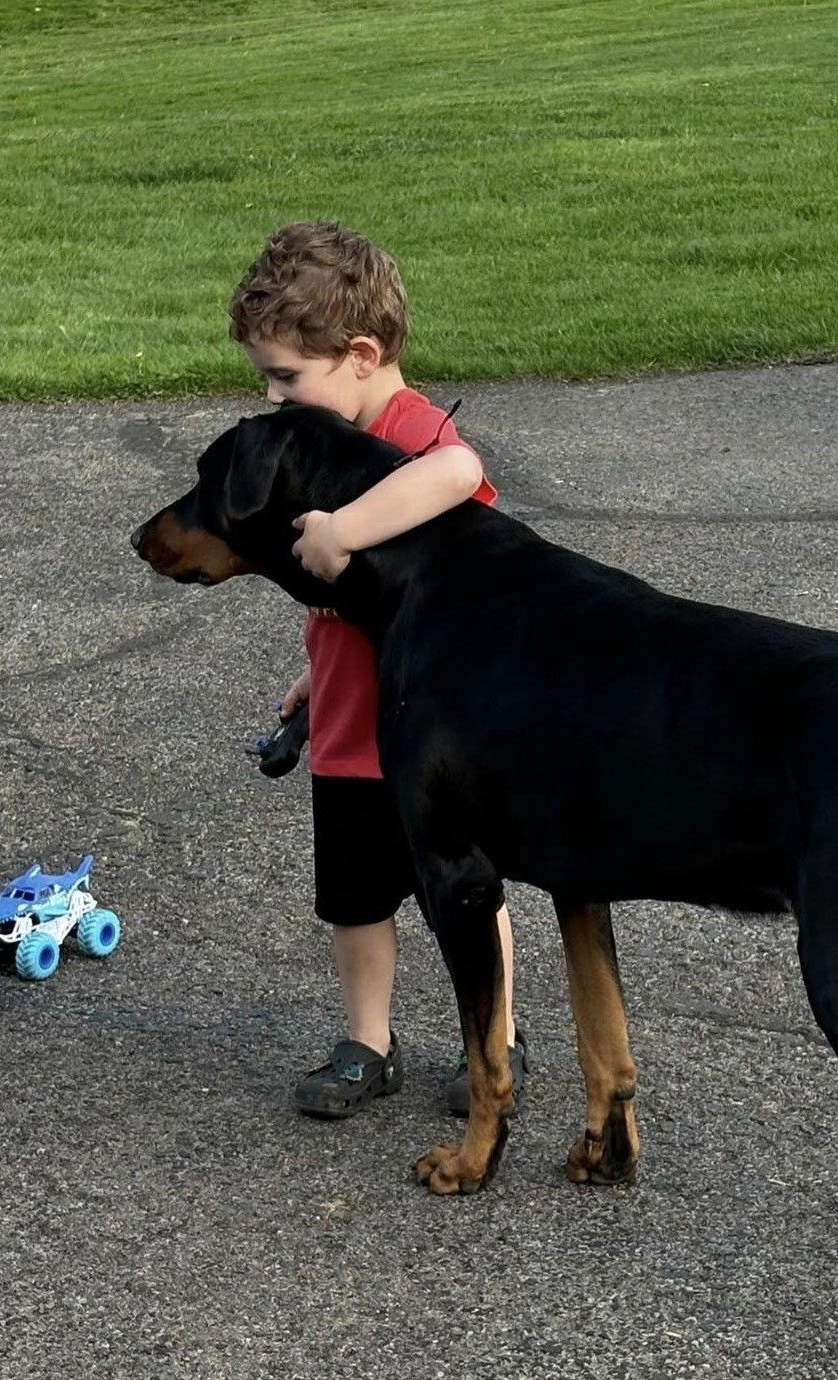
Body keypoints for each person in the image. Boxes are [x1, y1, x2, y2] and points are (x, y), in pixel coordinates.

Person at [228, 221, 528, 1118]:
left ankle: (500, 1032)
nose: (277, 398)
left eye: (288, 377)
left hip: (434, 734)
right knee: (356, 902)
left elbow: (459, 471)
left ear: (361, 354)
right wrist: (317, 684)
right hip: (353, 730)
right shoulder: (321, 447)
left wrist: (343, 528)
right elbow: (357, 607)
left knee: (466, 895)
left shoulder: (410, 434)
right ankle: (368, 1040)